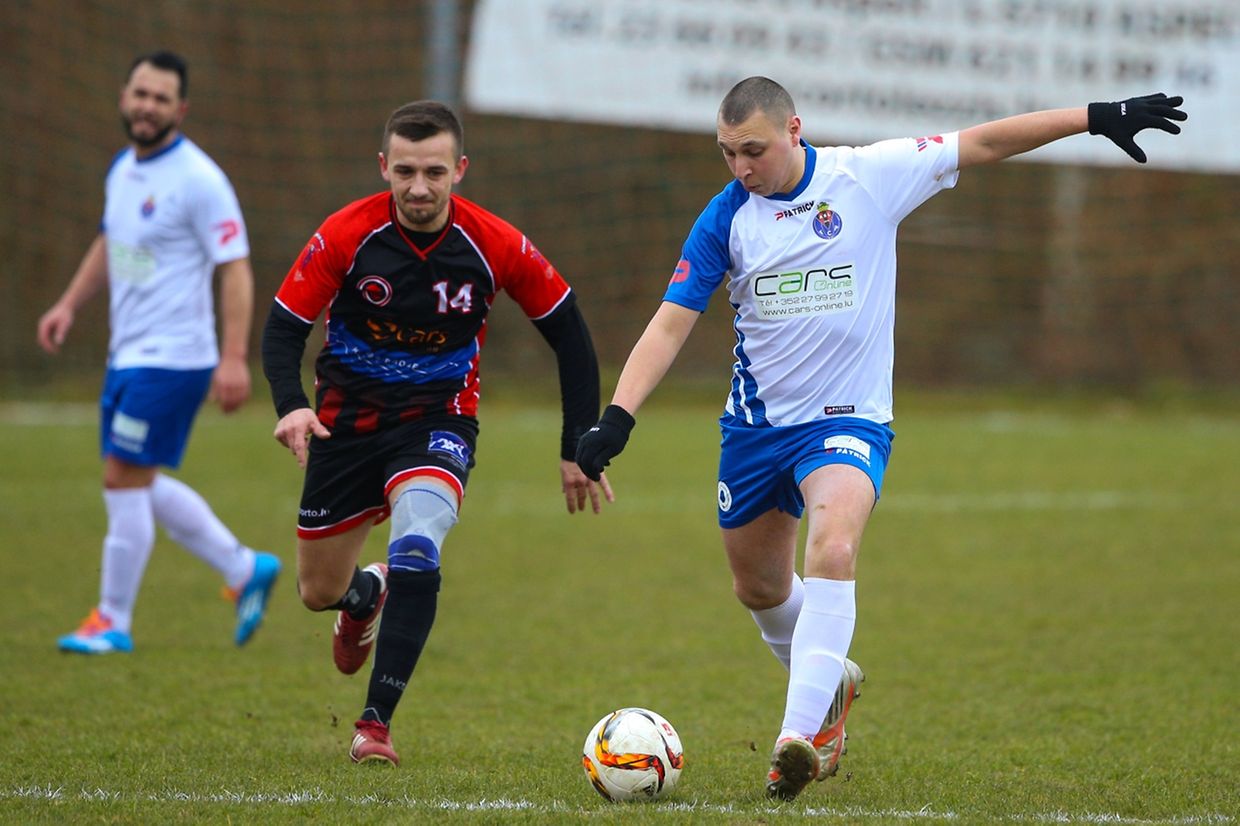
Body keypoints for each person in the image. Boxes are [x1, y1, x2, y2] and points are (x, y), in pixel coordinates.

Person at [575, 77, 1187, 800]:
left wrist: (1096, 116)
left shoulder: (866, 178)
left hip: (848, 419)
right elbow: (673, 319)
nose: (741, 166)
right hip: (756, 429)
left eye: (754, 150)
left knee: (832, 548)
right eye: (727, 152)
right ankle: (832, 682)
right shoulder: (726, 217)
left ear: (794, 130)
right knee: (759, 585)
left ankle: (797, 739)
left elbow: (986, 139)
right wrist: (617, 416)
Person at [261, 100, 612, 766]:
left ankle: (375, 723)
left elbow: (570, 333)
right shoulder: (346, 235)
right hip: (344, 427)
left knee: (418, 545)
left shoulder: (494, 242)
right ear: (383, 168)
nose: (418, 188)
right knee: (318, 592)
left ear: (460, 170)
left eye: (433, 172)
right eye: (404, 172)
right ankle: (365, 594)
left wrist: (576, 447)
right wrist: (291, 403)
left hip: (437, 422)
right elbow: (283, 328)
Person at [36, 51, 282, 655]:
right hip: (129, 354)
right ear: (124, 96)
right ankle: (243, 566)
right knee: (135, 477)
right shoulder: (123, 169)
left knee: (122, 475)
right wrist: (68, 303)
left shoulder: (200, 181)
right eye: (139, 93)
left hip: (175, 357)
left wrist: (232, 358)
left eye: (160, 97)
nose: (147, 105)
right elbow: (109, 241)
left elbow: (236, 268)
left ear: (181, 109)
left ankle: (112, 620)